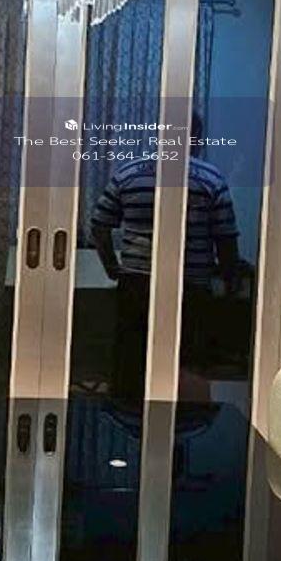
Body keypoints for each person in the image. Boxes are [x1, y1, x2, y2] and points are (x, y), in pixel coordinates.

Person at [90, 112, 240, 400]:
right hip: (191, 285)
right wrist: (230, 282)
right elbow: (225, 238)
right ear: (196, 138)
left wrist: (111, 266)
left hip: (137, 283)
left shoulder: (129, 173)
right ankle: (181, 419)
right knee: (187, 361)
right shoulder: (210, 179)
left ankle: (130, 413)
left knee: (131, 359)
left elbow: (100, 224)